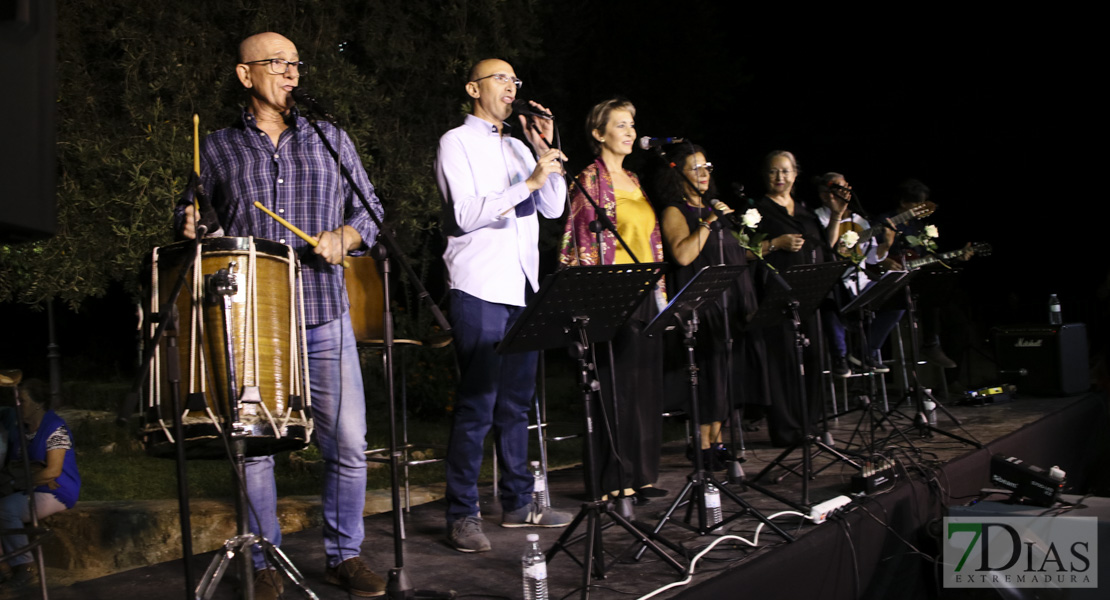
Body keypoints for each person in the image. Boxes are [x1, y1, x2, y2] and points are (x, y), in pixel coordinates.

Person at [174, 32, 385, 598]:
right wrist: (189, 224)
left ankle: (346, 555)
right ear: (246, 75)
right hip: (252, 321)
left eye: (296, 63)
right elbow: (192, 212)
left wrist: (346, 235)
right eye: (277, 64)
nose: (291, 74)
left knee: (348, 441)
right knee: (257, 446)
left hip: (323, 311)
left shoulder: (329, 137)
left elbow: (371, 212)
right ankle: (263, 558)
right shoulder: (217, 146)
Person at [435, 58, 571, 553]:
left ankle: (517, 503)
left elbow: (554, 207)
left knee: (517, 404)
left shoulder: (518, 146)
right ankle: (462, 514)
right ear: (473, 88)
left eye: (515, 80)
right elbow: (465, 213)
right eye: (500, 79)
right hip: (478, 286)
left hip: (521, 287)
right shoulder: (456, 142)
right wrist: (529, 183)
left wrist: (542, 151)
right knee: (477, 404)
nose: (511, 87)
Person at [558, 98, 667, 501]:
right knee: (614, 386)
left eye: (632, 124)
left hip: (646, 290)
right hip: (611, 291)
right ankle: (611, 479)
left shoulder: (636, 181)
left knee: (643, 386)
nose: (630, 131)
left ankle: (642, 475)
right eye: (620, 124)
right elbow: (579, 243)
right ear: (599, 133)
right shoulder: (589, 180)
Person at [657, 144, 773, 470]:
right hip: (701, 307)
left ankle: (718, 440)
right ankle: (701, 443)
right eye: (695, 168)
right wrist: (708, 220)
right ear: (677, 173)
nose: (704, 173)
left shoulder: (717, 209)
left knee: (727, 375)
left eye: (706, 166)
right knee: (706, 375)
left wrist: (770, 245)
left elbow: (737, 253)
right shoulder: (675, 211)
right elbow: (682, 254)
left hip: (731, 305)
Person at [752, 150, 826, 446]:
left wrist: (834, 215)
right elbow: (743, 251)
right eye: (773, 171)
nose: (780, 177)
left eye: (785, 171)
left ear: (796, 174)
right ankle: (786, 430)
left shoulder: (805, 212)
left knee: (814, 357)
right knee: (782, 361)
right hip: (777, 295)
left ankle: (809, 425)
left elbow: (825, 246)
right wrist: (775, 244)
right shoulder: (759, 210)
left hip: (810, 293)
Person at [813, 172, 903, 376]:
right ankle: (840, 356)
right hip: (834, 283)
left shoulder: (860, 220)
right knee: (828, 300)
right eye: (835, 188)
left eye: (844, 187)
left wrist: (886, 244)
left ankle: (865, 351)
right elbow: (826, 251)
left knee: (897, 298)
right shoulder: (817, 217)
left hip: (860, 282)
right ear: (824, 194)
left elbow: (871, 258)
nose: (841, 192)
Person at [0, 379, 80, 586]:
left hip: (56, 489)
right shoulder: (20, 429)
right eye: (16, 400)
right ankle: (3, 567)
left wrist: (18, 483)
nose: (18, 404)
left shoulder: (55, 428)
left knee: (6, 509)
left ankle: (24, 566)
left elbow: (52, 471)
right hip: (30, 485)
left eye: (23, 400)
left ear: (38, 404)